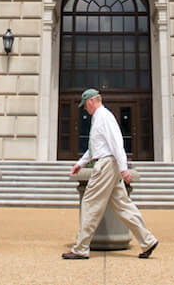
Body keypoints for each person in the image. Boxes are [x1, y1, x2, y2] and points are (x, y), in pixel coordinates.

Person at [62, 88, 159, 260]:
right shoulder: (100, 118)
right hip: (109, 164)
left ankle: (81, 248)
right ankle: (148, 240)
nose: (85, 109)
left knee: (90, 203)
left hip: (106, 166)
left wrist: (123, 168)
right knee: (123, 205)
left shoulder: (103, 117)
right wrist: (80, 164)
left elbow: (116, 143)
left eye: (85, 105)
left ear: (92, 101)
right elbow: (96, 148)